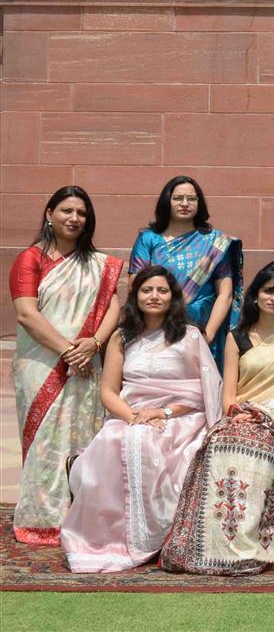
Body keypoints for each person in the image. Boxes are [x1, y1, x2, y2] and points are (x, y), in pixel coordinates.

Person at [160, 262, 274, 575]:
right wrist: (239, 413)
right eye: (268, 290)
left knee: (256, 453)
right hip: (240, 415)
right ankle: (209, 547)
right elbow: (229, 394)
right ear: (256, 295)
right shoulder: (238, 336)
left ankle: (253, 542)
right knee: (218, 445)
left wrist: (268, 413)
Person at [61, 266, 223, 572]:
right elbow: (109, 392)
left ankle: (153, 539)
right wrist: (136, 417)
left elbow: (202, 391)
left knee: (150, 444)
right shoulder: (122, 337)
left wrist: (162, 413)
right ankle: (110, 538)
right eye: (146, 290)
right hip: (132, 414)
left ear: (173, 297)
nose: (154, 296)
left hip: (181, 418)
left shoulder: (189, 336)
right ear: (135, 296)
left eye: (162, 290)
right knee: (117, 439)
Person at [10, 187, 123, 545]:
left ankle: (83, 514)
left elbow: (115, 307)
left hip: (88, 362)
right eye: (66, 210)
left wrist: (95, 344)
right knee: (45, 443)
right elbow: (27, 313)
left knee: (85, 438)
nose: (74, 218)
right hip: (42, 364)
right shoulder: (30, 259)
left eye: (82, 213)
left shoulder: (100, 264)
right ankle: (42, 520)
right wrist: (68, 351)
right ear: (49, 214)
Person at [130, 175, 243, 364]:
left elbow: (225, 294)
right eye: (178, 198)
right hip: (155, 327)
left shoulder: (215, 243)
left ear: (199, 203)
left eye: (191, 199)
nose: (185, 203)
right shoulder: (149, 239)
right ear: (167, 201)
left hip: (201, 327)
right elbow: (137, 286)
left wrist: (208, 336)